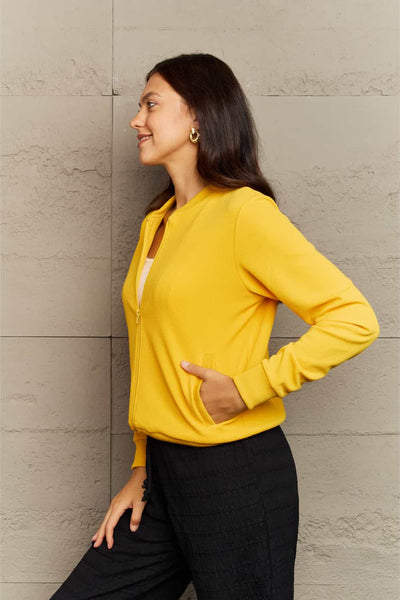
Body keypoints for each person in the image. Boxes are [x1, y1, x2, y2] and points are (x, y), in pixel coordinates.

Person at [50, 53, 379, 600]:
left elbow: (354, 318)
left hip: (236, 475)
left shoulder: (244, 214)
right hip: (161, 477)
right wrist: (142, 467)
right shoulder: (157, 222)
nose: (136, 120)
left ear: (198, 116)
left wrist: (249, 388)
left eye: (151, 104)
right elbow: (150, 353)